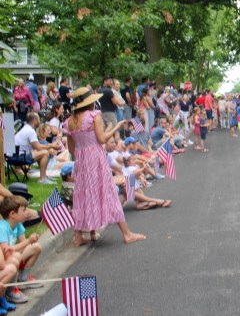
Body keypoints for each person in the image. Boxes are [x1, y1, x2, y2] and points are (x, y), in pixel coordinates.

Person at [64, 87, 145, 246]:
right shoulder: (94, 116)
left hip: (81, 159)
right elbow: (101, 139)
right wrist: (116, 127)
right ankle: (127, 234)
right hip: (96, 157)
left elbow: (71, 149)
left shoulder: (69, 122)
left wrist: (82, 153)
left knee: (82, 195)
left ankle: (78, 235)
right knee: (108, 192)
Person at [0, 196, 44, 306]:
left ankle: (23, 278)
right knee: (15, 257)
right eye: (24, 210)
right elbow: (6, 252)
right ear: (12, 214)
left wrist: (31, 241)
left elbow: (24, 244)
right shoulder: (3, 227)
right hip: (5, 260)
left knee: (36, 247)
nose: (27, 213)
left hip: (13, 256)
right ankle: (10, 290)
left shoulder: (18, 225)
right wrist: (28, 241)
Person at [14, 113, 60, 184]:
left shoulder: (26, 128)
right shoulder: (31, 131)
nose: (40, 121)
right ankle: (42, 179)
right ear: (34, 121)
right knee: (45, 153)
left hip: (16, 155)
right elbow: (38, 147)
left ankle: (44, 175)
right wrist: (52, 146)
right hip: (20, 157)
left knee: (42, 151)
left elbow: (37, 147)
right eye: (38, 119)